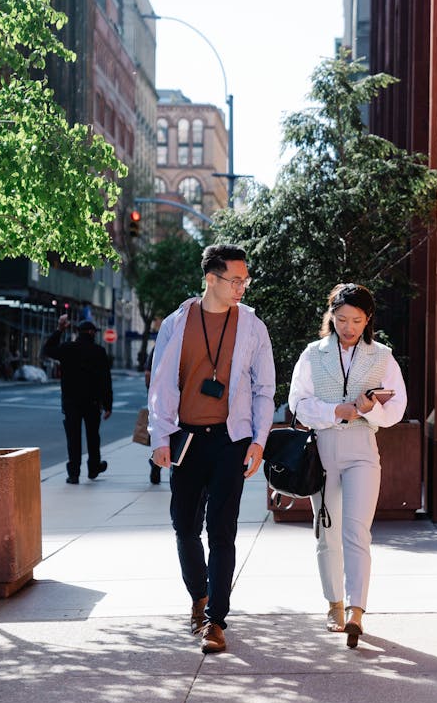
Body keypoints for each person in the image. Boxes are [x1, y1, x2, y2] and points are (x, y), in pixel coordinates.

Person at [148, 244, 275, 654]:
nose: (241, 287)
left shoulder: (253, 326)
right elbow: (161, 384)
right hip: (185, 439)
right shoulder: (177, 323)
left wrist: (258, 440)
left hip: (230, 440)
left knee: (222, 531)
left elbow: (263, 388)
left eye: (245, 279)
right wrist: (160, 438)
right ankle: (198, 598)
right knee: (185, 527)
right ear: (211, 279)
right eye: (234, 280)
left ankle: (216, 620)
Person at [288, 283, 407, 647]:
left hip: (362, 450)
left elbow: (398, 408)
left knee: (357, 531)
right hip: (322, 450)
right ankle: (334, 604)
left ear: (368, 319)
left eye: (356, 320)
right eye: (341, 319)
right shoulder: (312, 354)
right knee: (327, 532)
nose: (348, 327)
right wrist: (332, 411)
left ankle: (357, 610)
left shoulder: (383, 357)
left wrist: (375, 409)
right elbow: (297, 404)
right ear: (331, 317)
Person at [42, 317, 113, 485]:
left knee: (73, 437)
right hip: (92, 402)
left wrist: (60, 329)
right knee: (93, 436)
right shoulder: (99, 351)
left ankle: (73, 473)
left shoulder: (67, 348)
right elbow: (105, 380)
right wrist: (108, 404)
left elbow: (48, 349)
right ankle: (94, 467)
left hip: (71, 401)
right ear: (91, 333)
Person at [144, 347, 160, 485]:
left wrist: (150, 392)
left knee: (160, 431)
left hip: (159, 397)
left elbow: (148, 374)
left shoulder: (157, 348)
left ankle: (156, 463)